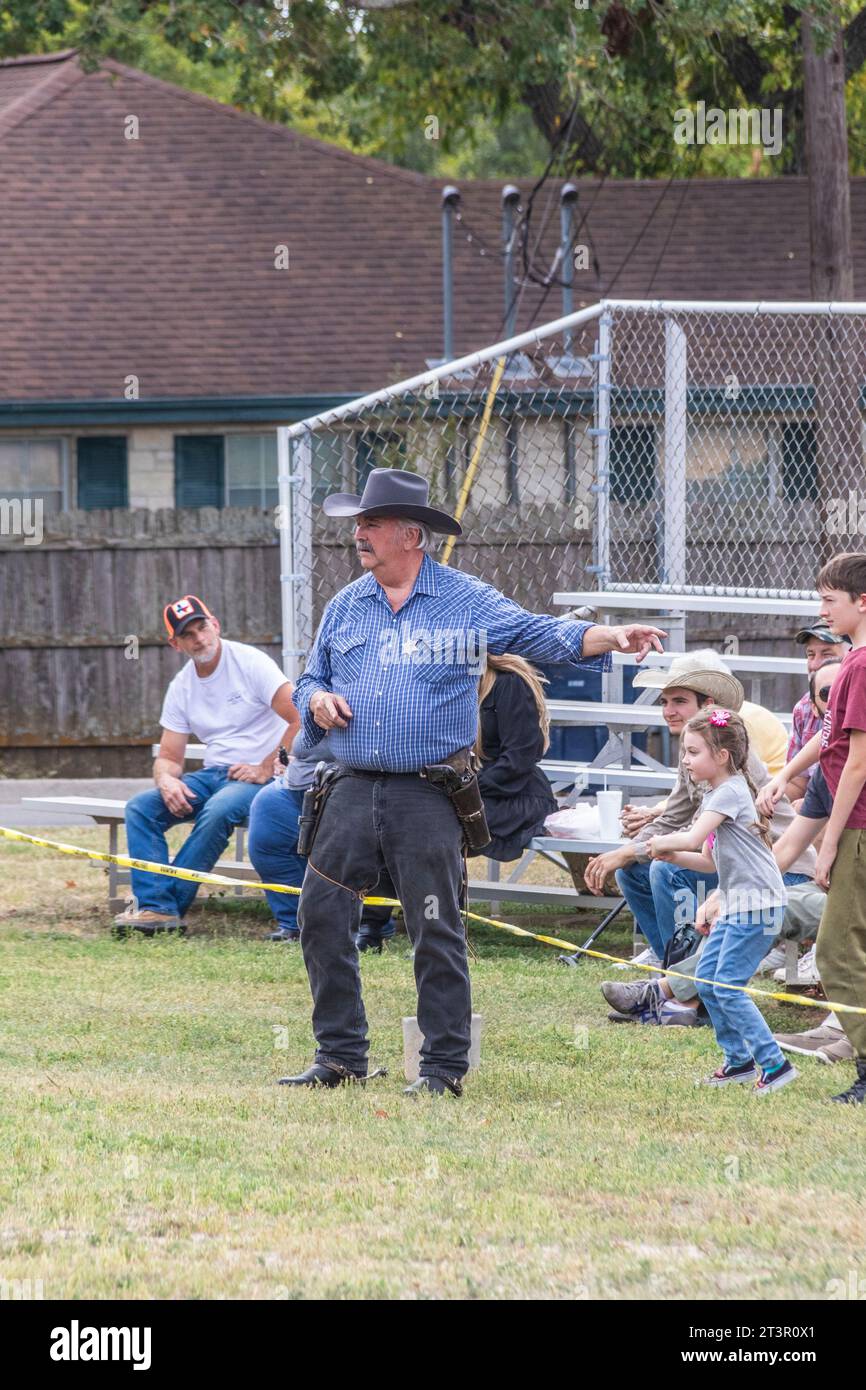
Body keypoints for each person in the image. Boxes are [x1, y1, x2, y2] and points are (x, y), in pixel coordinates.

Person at [276, 467, 666, 1097]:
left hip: (427, 793)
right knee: (320, 916)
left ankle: (442, 1068)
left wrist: (612, 636)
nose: (359, 534)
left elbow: (546, 634)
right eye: (358, 524)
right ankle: (341, 1055)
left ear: (411, 536)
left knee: (435, 925)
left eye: (370, 524)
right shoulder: (345, 604)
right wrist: (317, 700)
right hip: (348, 785)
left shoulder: (467, 600)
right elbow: (309, 678)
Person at [583, 651, 814, 980]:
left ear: (708, 706)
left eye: (679, 701)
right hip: (730, 866)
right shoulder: (694, 750)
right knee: (632, 872)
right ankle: (674, 963)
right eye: (664, 702)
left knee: (664, 870)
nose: (668, 711)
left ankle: (682, 976)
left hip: (777, 870)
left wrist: (630, 850)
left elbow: (693, 834)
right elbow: (672, 817)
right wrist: (626, 853)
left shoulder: (728, 755)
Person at [117, 595, 299, 934]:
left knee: (217, 810)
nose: (199, 638)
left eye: (202, 627)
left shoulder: (250, 662)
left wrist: (264, 766)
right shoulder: (182, 685)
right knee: (141, 808)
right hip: (214, 773)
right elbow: (170, 757)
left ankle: (161, 908)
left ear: (214, 624)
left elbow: (299, 716)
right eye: (188, 634)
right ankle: (158, 908)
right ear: (175, 644)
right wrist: (167, 781)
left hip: (259, 779)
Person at [759, 551, 866, 1105]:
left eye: (830, 600)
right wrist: (785, 776)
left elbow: (856, 761)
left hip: (859, 828)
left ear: (861, 602)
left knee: (837, 952)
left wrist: (830, 843)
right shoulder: (849, 664)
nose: (821, 610)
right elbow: (831, 738)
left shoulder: (863, 664)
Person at [647, 708, 797, 1094]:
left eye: (693, 752)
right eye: (684, 752)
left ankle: (775, 1064)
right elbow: (707, 860)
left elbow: (692, 837)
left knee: (727, 985)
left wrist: (656, 843)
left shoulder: (730, 791)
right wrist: (669, 856)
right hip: (736, 903)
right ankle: (738, 1062)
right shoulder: (715, 794)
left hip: (758, 904)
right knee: (709, 983)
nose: (685, 760)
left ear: (722, 757)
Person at [248, 730, 399, 950]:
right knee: (267, 809)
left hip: (355, 783)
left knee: (359, 840)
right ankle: (295, 923)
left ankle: (367, 924)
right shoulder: (318, 696)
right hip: (299, 782)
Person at [476, 653, 556, 860]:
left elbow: (519, 758)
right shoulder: (446, 686)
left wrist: (466, 791)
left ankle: (438, 892)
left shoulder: (508, 682)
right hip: (476, 793)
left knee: (439, 821)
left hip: (516, 794)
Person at [784, 623, 850, 802]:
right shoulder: (804, 708)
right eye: (810, 654)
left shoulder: (859, 706)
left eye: (827, 655)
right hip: (814, 809)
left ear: (852, 657)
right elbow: (797, 783)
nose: (814, 664)